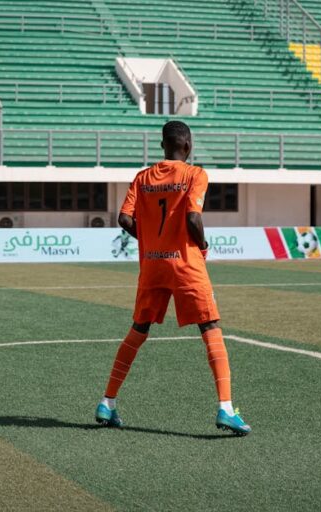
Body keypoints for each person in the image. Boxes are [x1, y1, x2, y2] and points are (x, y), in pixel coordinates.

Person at [95, 121, 251, 436]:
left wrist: (151, 240)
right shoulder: (195, 174)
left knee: (138, 329)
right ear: (188, 146)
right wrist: (204, 245)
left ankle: (107, 401)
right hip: (186, 264)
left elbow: (124, 218)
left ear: (162, 145)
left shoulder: (142, 178)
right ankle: (225, 408)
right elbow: (193, 218)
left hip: (152, 266)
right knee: (210, 326)